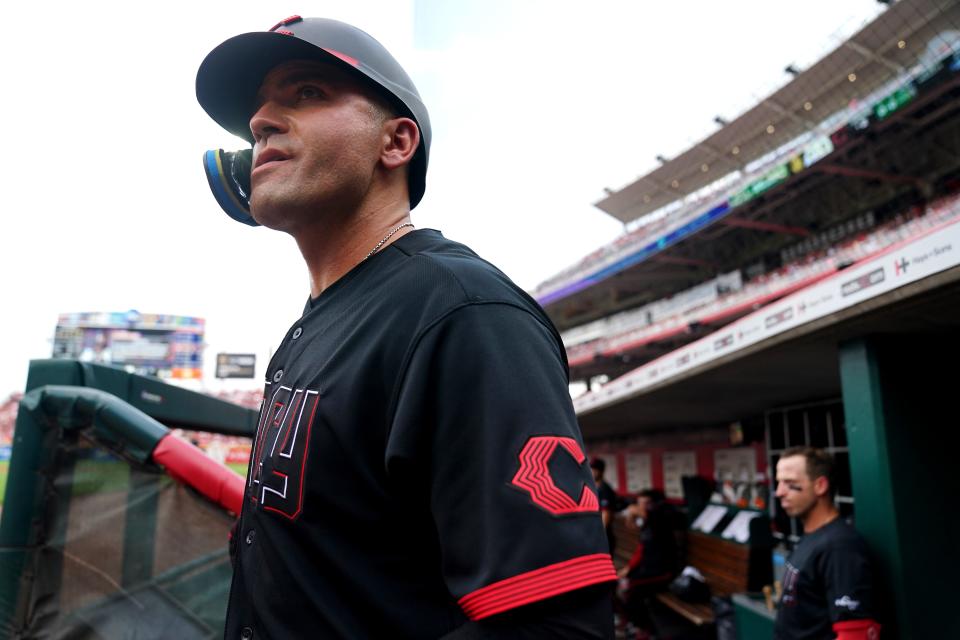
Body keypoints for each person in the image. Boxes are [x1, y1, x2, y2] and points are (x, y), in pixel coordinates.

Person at [195, 16, 616, 639]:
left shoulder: (464, 312)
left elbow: (553, 627)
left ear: (395, 143)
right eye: (258, 110)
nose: (259, 122)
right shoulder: (319, 320)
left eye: (306, 92)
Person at [773, 447, 881, 640]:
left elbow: (855, 634)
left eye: (789, 483)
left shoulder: (840, 545)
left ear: (820, 486)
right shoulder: (812, 537)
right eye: (778, 482)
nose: (779, 492)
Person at [615, 489, 679, 637]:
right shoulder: (648, 522)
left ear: (655, 504)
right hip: (648, 568)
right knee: (616, 583)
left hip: (663, 572)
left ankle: (644, 630)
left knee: (628, 588)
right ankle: (632, 622)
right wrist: (628, 568)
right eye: (639, 503)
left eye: (646, 503)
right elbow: (641, 549)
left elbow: (643, 514)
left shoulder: (662, 517)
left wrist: (632, 511)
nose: (642, 506)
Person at [591, 457, 619, 552]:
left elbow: (606, 514)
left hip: (604, 536)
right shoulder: (594, 487)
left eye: (595, 469)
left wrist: (599, 535)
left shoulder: (605, 489)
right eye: (591, 469)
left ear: (601, 471)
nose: (592, 472)